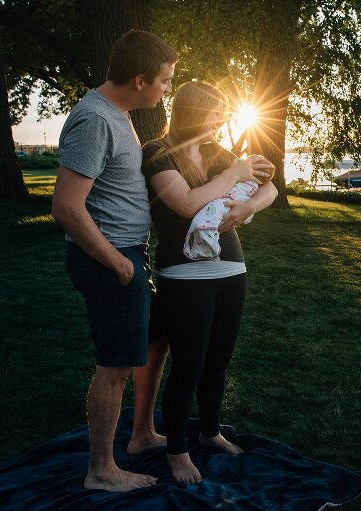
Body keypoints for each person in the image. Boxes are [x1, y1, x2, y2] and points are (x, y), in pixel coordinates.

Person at [51, 29, 177, 492]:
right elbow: (66, 207)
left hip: (127, 254)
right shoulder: (95, 120)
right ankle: (101, 471)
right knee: (115, 365)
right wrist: (117, 262)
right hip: (110, 258)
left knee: (154, 338)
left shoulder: (118, 114)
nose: (167, 89)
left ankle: (141, 434)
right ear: (140, 79)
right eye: (164, 81)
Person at [141, 81, 278, 484]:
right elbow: (184, 203)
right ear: (193, 112)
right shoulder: (157, 152)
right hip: (182, 273)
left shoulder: (221, 154)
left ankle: (210, 432)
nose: (221, 119)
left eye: (223, 112)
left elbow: (269, 185)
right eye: (214, 111)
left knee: (218, 361)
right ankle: (178, 452)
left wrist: (249, 204)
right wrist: (234, 173)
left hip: (231, 269)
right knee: (190, 364)